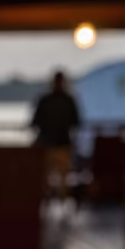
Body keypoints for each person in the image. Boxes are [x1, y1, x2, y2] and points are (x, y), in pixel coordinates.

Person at [31, 71, 82, 202]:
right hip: (57, 144)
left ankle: (52, 202)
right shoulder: (67, 100)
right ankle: (53, 201)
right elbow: (76, 122)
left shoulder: (48, 100)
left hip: (53, 144)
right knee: (55, 178)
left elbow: (35, 122)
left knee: (53, 177)